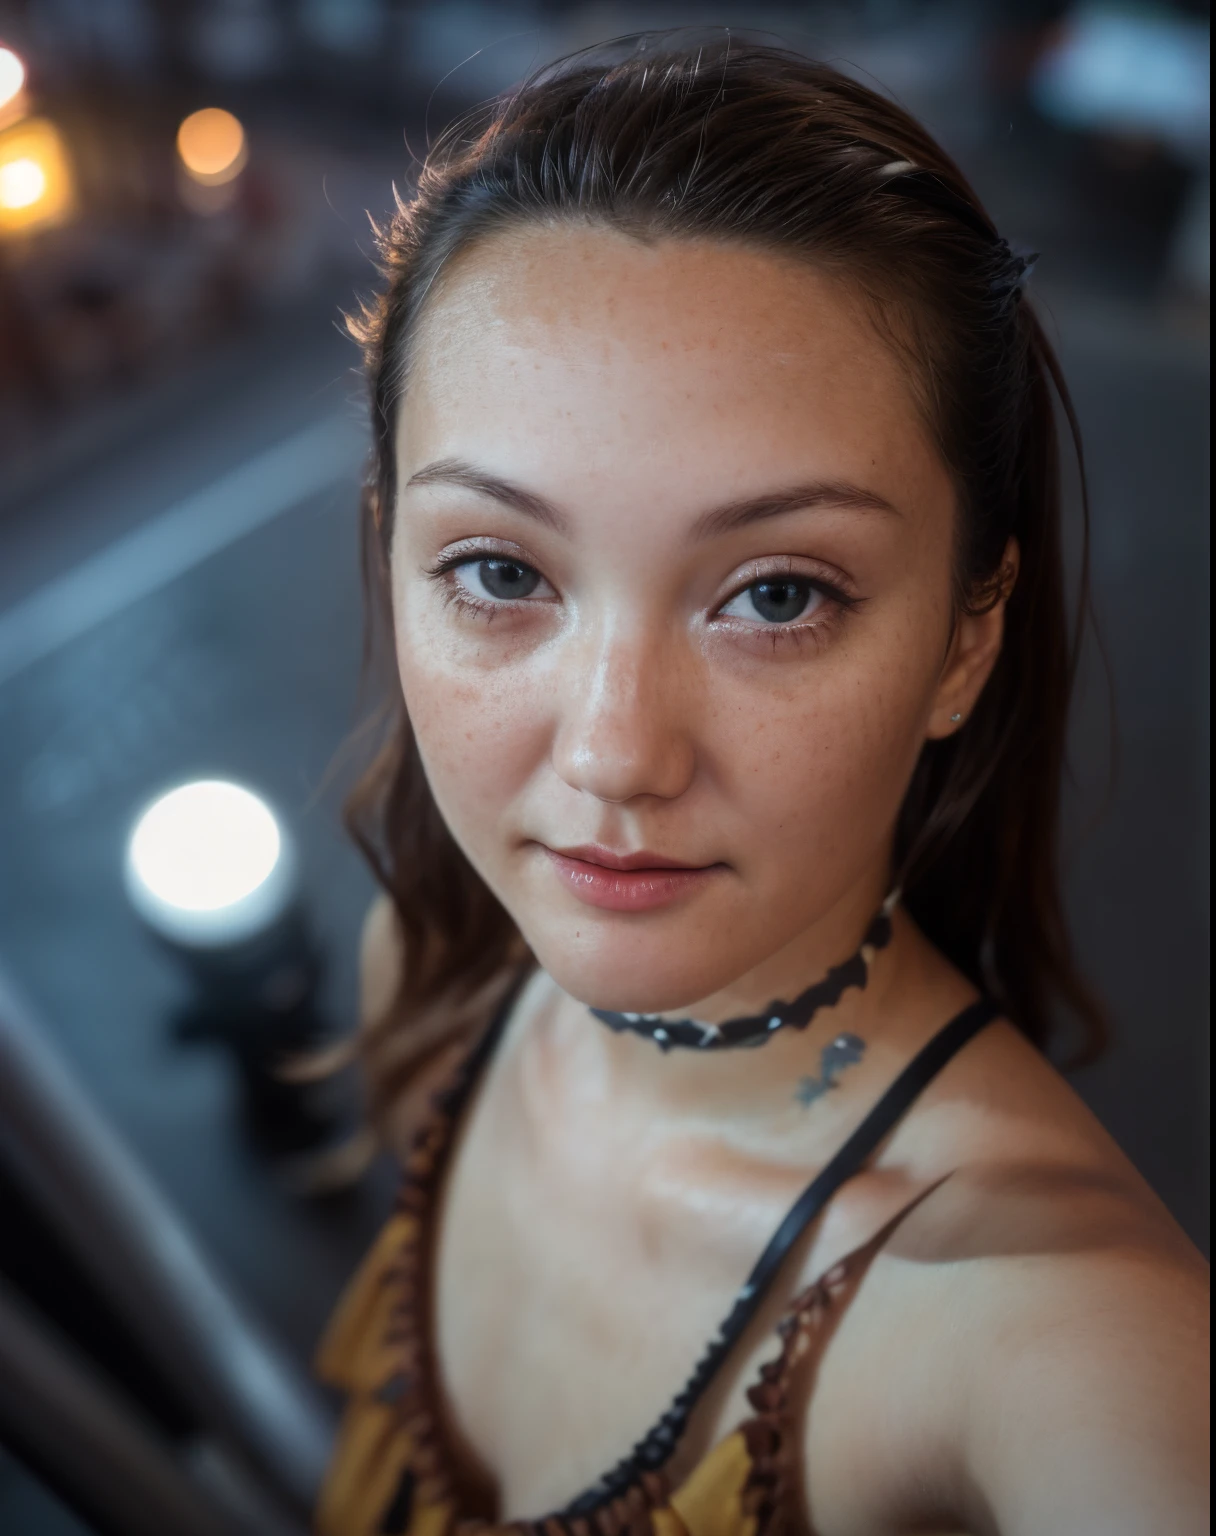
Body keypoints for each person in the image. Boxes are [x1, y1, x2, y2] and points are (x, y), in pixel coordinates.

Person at [313, 38, 1208, 1536]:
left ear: (963, 639)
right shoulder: (431, 978)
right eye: (497, 570)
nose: (613, 753)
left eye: (777, 596)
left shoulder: (1055, 1341)